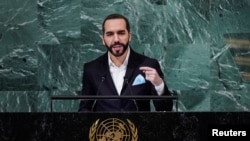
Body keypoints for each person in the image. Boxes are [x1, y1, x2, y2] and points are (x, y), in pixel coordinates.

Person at [78, 13, 173, 112]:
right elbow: (84, 109)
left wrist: (159, 85)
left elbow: (165, 109)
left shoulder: (148, 65)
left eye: (121, 33)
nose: (116, 39)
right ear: (103, 39)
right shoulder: (91, 69)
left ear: (129, 36)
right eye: (110, 34)